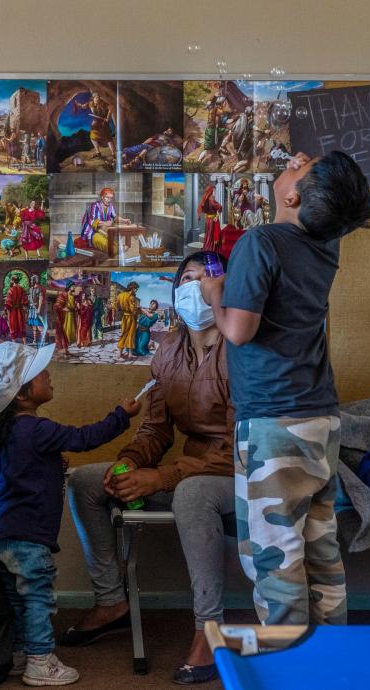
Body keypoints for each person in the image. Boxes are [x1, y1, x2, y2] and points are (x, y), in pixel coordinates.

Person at [203, 151, 370, 626]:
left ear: (292, 194)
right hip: (320, 417)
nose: (296, 158)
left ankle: (289, 670)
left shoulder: (261, 242)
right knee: (321, 550)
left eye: (301, 165)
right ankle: (329, 663)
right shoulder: (327, 246)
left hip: (272, 421)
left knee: (275, 556)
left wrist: (215, 296)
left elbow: (238, 331)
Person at [63, 252, 235, 685]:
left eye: (207, 277)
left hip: (240, 475)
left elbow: (241, 447)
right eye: (188, 279)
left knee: (193, 492)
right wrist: (130, 461)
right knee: (86, 481)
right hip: (191, 471)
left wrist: (162, 477)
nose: (196, 287)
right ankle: (111, 601)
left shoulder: (245, 350)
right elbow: (156, 430)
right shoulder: (167, 352)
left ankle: (209, 629)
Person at [0, 342, 141, 686]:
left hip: (0, 533)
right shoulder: (36, 429)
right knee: (38, 599)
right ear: (21, 395)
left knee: (18, 602)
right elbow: (85, 438)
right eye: (39, 372)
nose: (48, 374)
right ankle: (41, 662)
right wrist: (121, 415)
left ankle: (20, 655)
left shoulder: (6, 434)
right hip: (29, 537)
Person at [116, 281, 139, 359]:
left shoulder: (120, 295)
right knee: (130, 335)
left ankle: (120, 353)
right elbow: (133, 310)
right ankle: (129, 354)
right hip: (131, 318)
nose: (136, 291)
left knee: (123, 334)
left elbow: (117, 306)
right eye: (135, 289)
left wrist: (122, 309)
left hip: (124, 317)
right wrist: (138, 309)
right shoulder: (131, 297)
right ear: (132, 288)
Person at [4, 275, 28, 342]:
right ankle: (25, 343)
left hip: (13, 311)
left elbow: (8, 303)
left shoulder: (10, 290)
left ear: (12, 281)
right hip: (20, 311)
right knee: (21, 325)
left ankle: (14, 344)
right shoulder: (22, 289)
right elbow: (25, 301)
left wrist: (6, 312)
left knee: (13, 325)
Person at [27, 274, 45, 346]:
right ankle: (34, 340)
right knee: (34, 325)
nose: (31, 281)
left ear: (35, 280)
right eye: (31, 280)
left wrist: (39, 309)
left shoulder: (38, 289)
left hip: (36, 309)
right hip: (31, 309)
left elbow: (41, 299)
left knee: (39, 325)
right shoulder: (31, 289)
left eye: (32, 280)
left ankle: (43, 340)